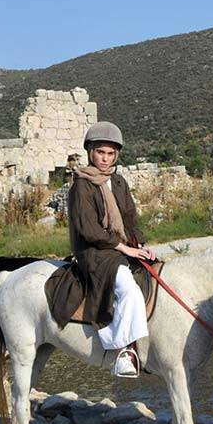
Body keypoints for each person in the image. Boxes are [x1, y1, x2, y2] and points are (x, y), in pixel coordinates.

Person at [68, 121, 155, 378]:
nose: (105, 159)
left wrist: (139, 246)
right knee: (128, 289)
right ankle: (124, 353)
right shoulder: (81, 185)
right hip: (94, 250)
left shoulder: (118, 182)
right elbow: (89, 229)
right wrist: (123, 250)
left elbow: (130, 217)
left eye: (110, 154)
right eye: (100, 153)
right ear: (90, 153)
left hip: (120, 246)